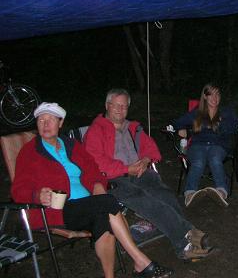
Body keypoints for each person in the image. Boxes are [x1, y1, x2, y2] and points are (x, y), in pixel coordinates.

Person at [11, 102, 172, 278]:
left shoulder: (71, 145)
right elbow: (18, 190)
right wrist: (37, 195)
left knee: (103, 218)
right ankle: (141, 262)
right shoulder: (29, 152)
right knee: (107, 202)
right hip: (56, 210)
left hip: (89, 205)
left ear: (61, 123)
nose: (46, 124)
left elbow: (94, 169)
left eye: (51, 119)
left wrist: (97, 184)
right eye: (41, 120)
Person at [83, 89, 213, 261]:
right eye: (116, 105)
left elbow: (151, 148)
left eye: (124, 106)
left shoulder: (133, 127)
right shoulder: (96, 130)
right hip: (113, 179)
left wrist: (145, 160)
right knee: (143, 198)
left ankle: (179, 234)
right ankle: (186, 239)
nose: (120, 109)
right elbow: (96, 162)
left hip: (139, 172)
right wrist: (126, 169)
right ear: (107, 106)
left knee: (163, 192)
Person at [173, 83, 238, 207]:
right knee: (198, 161)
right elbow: (177, 122)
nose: (214, 98)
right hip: (198, 145)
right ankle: (190, 193)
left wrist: (221, 125)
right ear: (205, 96)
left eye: (217, 94)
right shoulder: (197, 112)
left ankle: (221, 192)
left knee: (214, 158)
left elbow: (235, 126)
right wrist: (181, 128)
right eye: (211, 94)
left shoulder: (226, 112)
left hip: (218, 145)